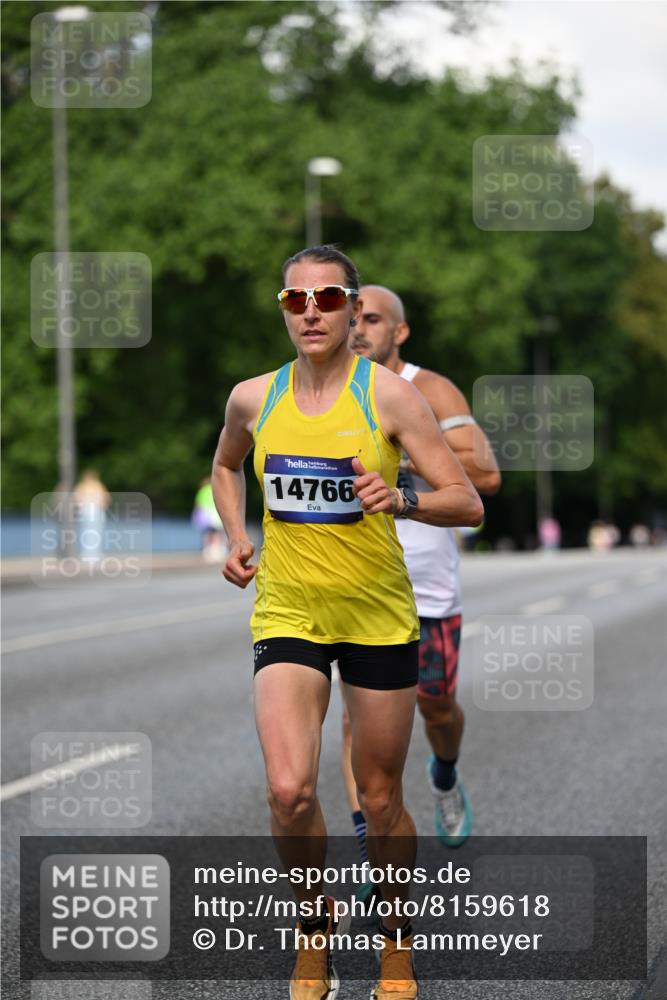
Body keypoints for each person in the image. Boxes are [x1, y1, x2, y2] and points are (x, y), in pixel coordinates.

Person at [212, 247, 483, 1000]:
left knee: (379, 797)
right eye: (295, 300)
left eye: (327, 299)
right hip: (290, 608)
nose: (310, 312)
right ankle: (312, 928)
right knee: (289, 789)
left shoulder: (390, 400)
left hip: (375, 613)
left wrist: (397, 498)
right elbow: (226, 466)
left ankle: (395, 941)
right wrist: (238, 534)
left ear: (348, 306)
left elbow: (466, 500)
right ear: (282, 309)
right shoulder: (252, 397)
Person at [341, 285, 500, 868]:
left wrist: (400, 451)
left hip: (427, 586)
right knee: (357, 727)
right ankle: (370, 850)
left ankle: (446, 773)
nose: (358, 329)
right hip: (356, 579)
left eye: (373, 319)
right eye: (352, 318)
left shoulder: (430, 389)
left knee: (436, 706)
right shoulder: (328, 389)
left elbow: (486, 475)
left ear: (399, 332)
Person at [72, 469, 111, 563]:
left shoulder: (82, 486)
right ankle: (94, 553)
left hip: (87, 511)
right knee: (95, 531)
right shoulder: (98, 486)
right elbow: (107, 498)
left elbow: (76, 499)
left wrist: (79, 507)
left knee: (86, 532)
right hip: (95, 510)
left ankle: (88, 553)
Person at [191, 476, 226, 562]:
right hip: (215, 513)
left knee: (207, 533)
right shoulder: (216, 489)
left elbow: (198, 504)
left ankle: (207, 549)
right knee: (217, 532)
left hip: (205, 515)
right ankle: (217, 549)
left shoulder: (202, 491)